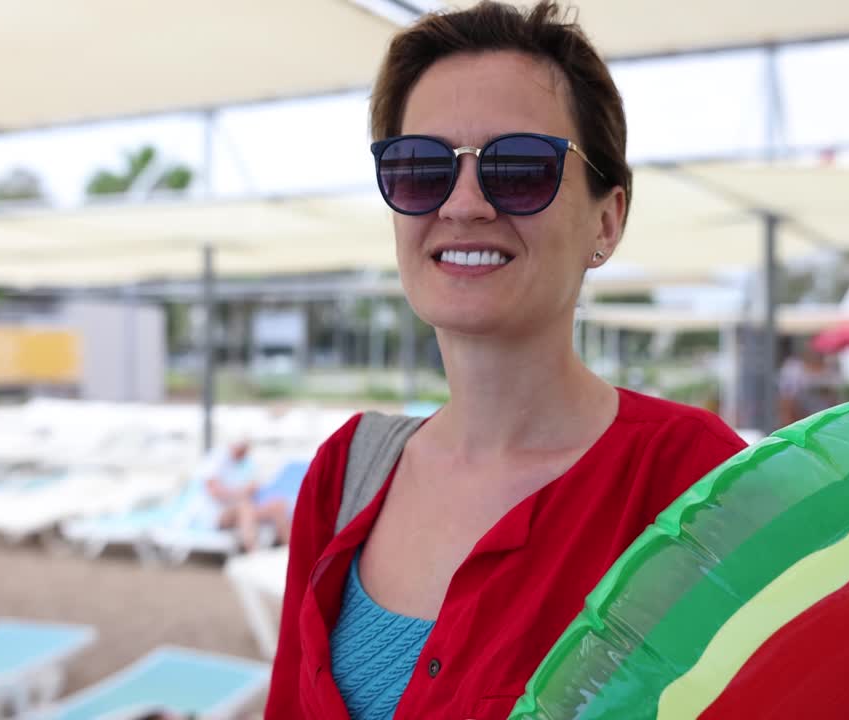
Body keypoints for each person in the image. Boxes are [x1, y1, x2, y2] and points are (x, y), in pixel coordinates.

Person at [265, 3, 748, 718]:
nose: (463, 204)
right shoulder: (346, 474)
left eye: (519, 168)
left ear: (606, 221)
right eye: (420, 168)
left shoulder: (690, 482)